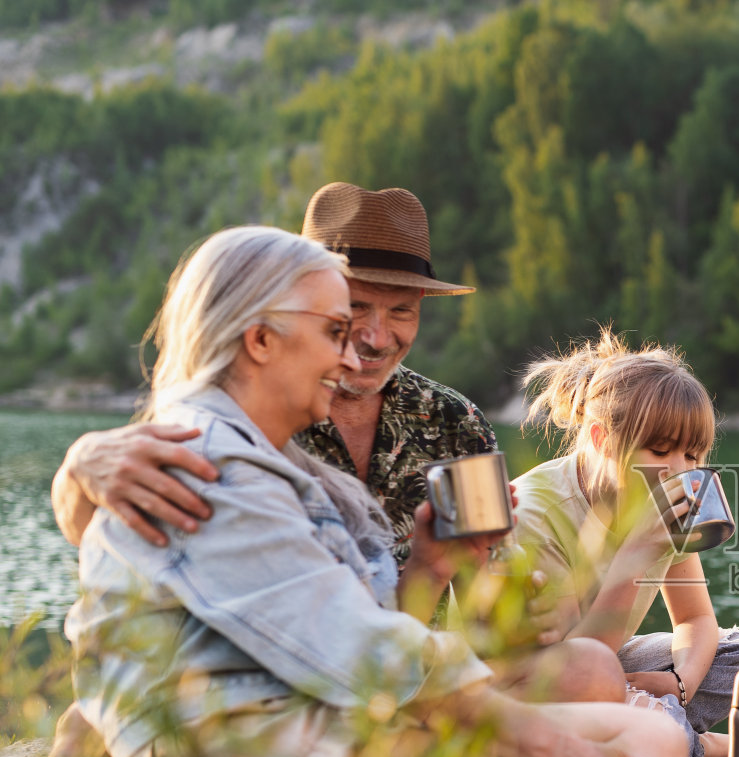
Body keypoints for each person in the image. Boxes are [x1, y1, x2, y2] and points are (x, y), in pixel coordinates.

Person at [59, 225, 726, 757]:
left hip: (336, 744)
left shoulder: (408, 427)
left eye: (386, 316)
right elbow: (358, 651)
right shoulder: (204, 458)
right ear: (261, 337)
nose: (357, 349)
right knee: (649, 743)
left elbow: (369, 638)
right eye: (339, 325)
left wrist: (437, 566)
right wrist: (553, 748)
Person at [51, 182, 493, 568]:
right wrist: (78, 470)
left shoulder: (455, 421)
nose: (377, 338)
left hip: (424, 663)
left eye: (401, 311)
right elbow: (103, 538)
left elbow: (487, 584)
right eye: (353, 309)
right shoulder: (242, 414)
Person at [510, 331, 739, 757]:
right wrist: (638, 549)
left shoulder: (663, 499)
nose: (679, 470)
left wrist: (679, 682)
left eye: (693, 455)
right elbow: (575, 670)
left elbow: (695, 618)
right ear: (601, 439)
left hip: (609, 667)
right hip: (536, 686)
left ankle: (655, 727)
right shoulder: (536, 514)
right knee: (625, 703)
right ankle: (702, 747)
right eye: (660, 450)